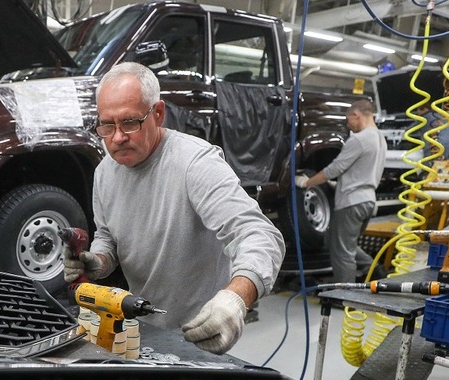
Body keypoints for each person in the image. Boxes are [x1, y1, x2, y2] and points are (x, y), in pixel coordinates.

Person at [63, 62, 284, 355]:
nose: (116, 138)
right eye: (107, 125)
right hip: (143, 327)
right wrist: (100, 260)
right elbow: (108, 235)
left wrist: (234, 300)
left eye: (129, 122)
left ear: (158, 113)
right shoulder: (105, 172)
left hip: (205, 330)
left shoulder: (196, 163)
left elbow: (259, 235)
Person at [296, 99, 386, 283]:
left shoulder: (360, 139)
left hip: (352, 203)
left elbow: (334, 169)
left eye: (348, 120)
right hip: (367, 200)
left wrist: (307, 182)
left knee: (343, 253)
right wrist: (339, 186)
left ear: (356, 115)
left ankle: (345, 296)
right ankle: (373, 268)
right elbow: (363, 170)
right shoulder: (380, 139)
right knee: (334, 241)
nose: (347, 125)